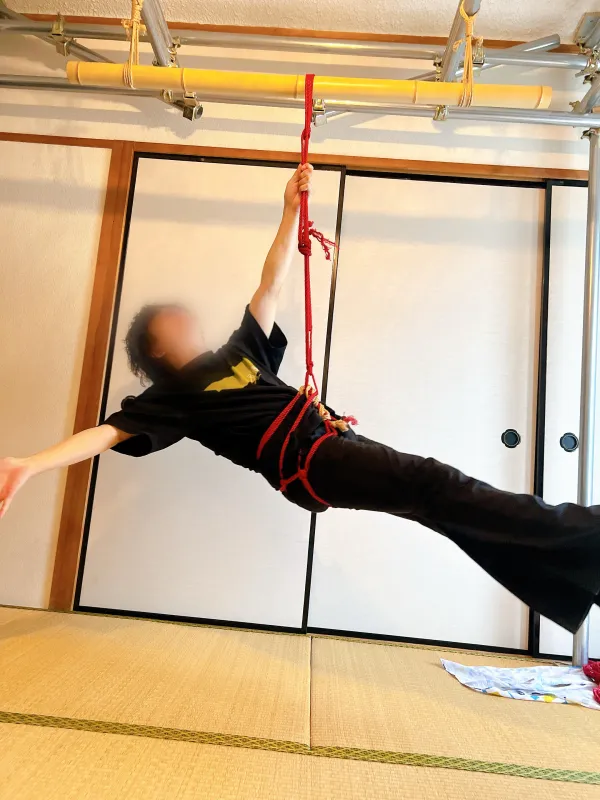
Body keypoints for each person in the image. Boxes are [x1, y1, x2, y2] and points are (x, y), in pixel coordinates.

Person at [1, 164, 600, 636]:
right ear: (155, 347)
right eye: (171, 321)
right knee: (435, 481)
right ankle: (586, 533)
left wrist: (289, 211)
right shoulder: (172, 397)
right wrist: (29, 464)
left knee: (437, 505)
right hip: (310, 463)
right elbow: (103, 434)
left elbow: (271, 283)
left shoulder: (239, 352)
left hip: (331, 440)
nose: (185, 318)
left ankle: (568, 582)